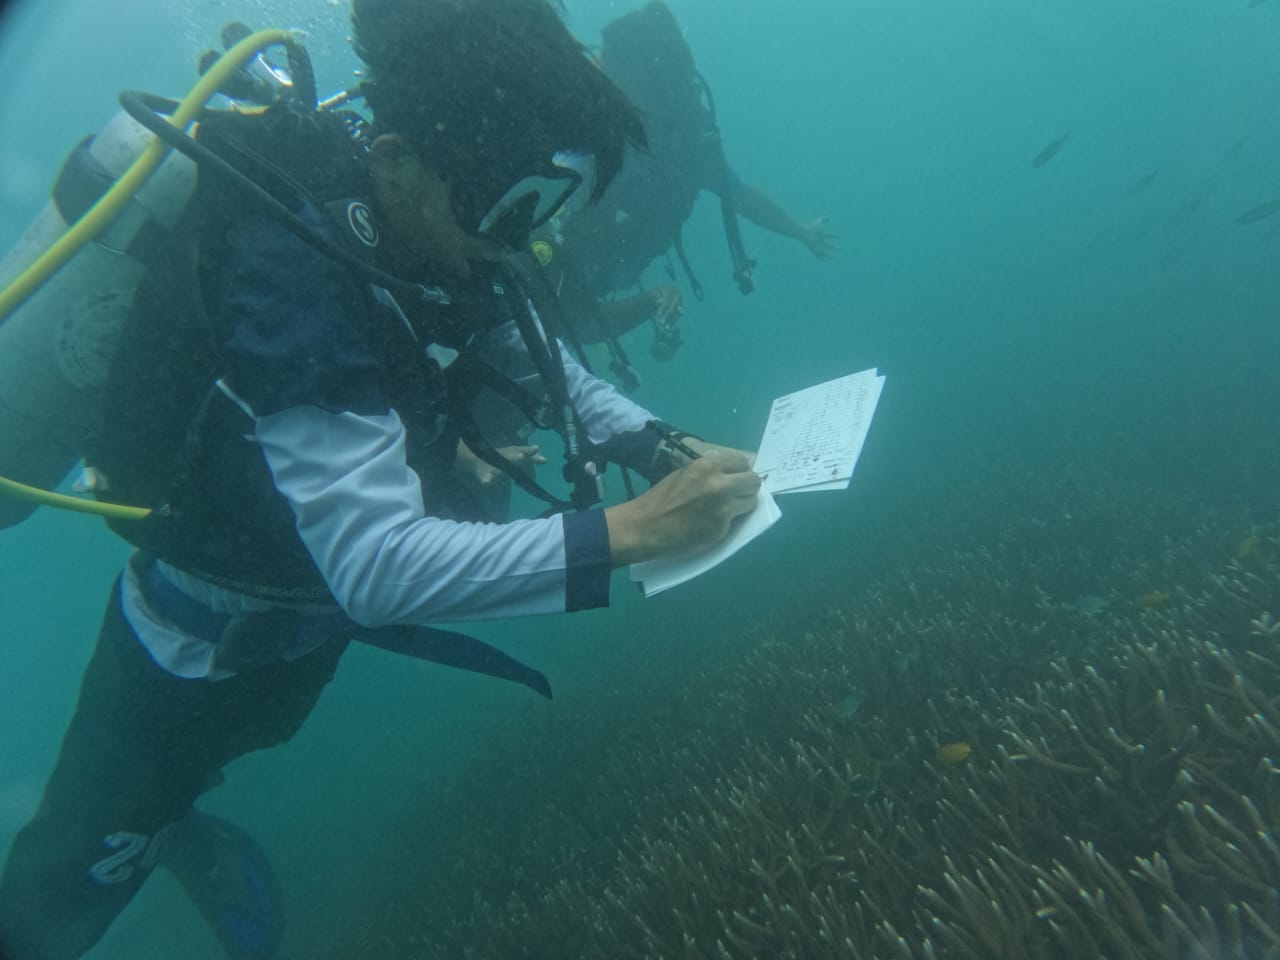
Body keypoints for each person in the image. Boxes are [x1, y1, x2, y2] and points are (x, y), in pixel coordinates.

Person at [0, 1, 761, 957]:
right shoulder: (290, 267)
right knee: (58, 895)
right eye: (509, 208)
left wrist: (654, 442)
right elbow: (374, 567)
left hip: (300, 620)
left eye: (551, 201)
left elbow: (526, 353)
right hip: (191, 650)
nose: (522, 236)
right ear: (395, 160)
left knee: (241, 744)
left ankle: (174, 817)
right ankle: (146, 830)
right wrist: (639, 529)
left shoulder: (443, 208)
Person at [534, 0, 838, 377]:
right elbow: (560, 295)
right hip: (559, 293)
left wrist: (798, 229)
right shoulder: (593, 150)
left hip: (591, 290)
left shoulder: (685, 146)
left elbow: (738, 193)